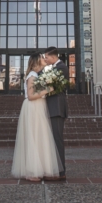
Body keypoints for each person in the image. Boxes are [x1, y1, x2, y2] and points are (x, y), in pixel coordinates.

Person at [11, 52, 62, 182]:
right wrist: (49, 89)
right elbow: (31, 95)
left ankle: (42, 168)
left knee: (40, 137)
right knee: (33, 137)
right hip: (33, 107)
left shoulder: (38, 75)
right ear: (36, 61)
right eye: (41, 58)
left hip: (39, 107)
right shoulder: (32, 76)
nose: (44, 59)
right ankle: (31, 171)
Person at [43, 46, 69, 180]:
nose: (45, 59)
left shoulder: (61, 68)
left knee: (57, 139)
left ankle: (60, 172)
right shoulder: (55, 67)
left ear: (53, 56)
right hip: (52, 106)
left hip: (57, 107)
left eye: (46, 57)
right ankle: (55, 169)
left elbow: (52, 87)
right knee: (53, 139)